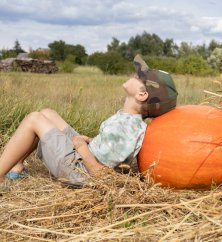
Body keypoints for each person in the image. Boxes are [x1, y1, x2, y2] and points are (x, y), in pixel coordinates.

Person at [0, 55, 178, 191]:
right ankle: (17, 166)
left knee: (34, 119)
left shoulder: (126, 127)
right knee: (47, 113)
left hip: (79, 170)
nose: (133, 74)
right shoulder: (128, 121)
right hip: (83, 159)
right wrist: (92, 142)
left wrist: (81, 147)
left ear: (141, 94)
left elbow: (101, 175)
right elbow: (112, 151)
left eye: (138, 76)